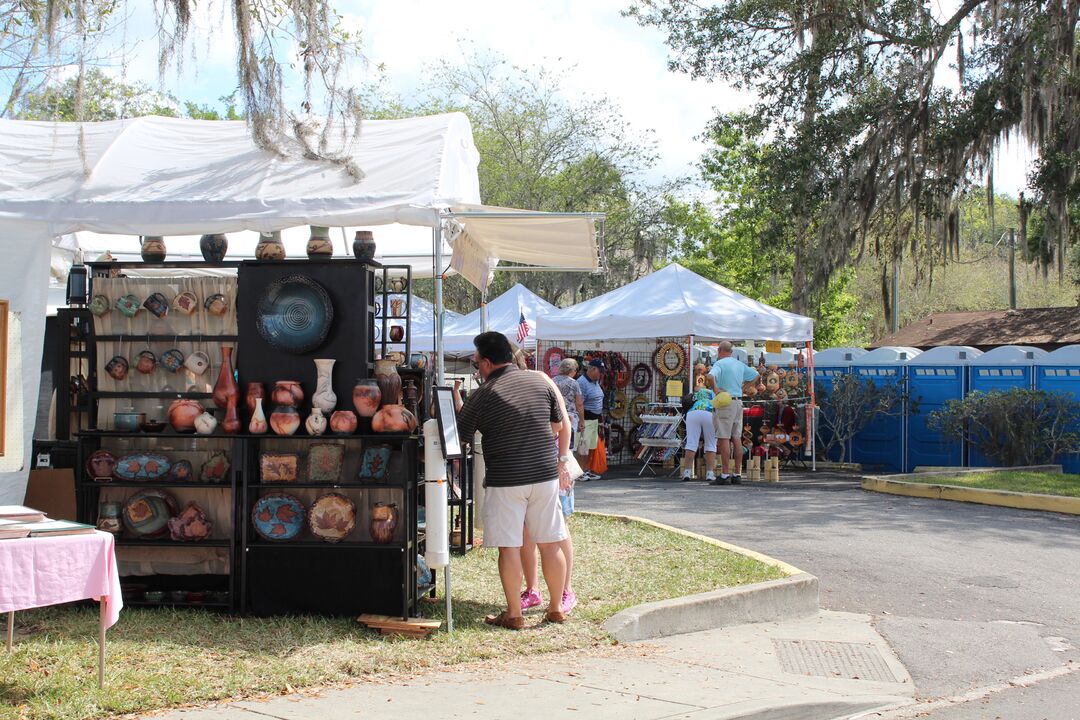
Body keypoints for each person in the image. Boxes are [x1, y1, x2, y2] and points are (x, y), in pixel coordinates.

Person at [456, 331, 571, 629]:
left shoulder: (483, 394)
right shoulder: (538, 380)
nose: (476, 367)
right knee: (550, 543)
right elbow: (557, 424)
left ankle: (514, 614)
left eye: (476, 361)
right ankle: (556, 607)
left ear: (487, 362)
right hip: (545, 474)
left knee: (509, 547)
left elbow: (459, 438)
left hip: (506, 478)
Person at [521, 356, 581, 614]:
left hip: (554, 466)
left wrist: (563, 461)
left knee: (559, 530)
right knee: (526, 530)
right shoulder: (518, 387)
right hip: (530, 468)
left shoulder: (543, 380)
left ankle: (567, 591)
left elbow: (564, 424)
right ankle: (532, 590)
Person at [709, 341, 759, 484]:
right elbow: (755, 375)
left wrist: (716, 390)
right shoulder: (739, 364)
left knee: (724, 438)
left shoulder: (719, 364)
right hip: (738, 402)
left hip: (725, 402)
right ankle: (737, 473)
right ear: (731, 351)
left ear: (719, 350)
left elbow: (710, 377)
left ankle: (725, 474)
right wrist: (745, 387)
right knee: (736, 437)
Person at [682, 370, 719, 482]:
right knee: (711, 444)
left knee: (691, 443)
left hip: (693, 413)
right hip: (708, 413)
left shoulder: (698, 391)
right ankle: (709, 473)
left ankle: (687, 472)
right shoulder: (714, 392)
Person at [576, 358, 606, 480]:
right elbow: (579, 403)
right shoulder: (582, 382)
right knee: (582, 447)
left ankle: (586, 470)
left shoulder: (595, 381)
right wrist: (581, 421)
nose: (601, 374)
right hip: (586, 418)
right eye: (600, 371)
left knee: (589, 448)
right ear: (593, 369)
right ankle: (578, 472)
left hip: (594, 419)